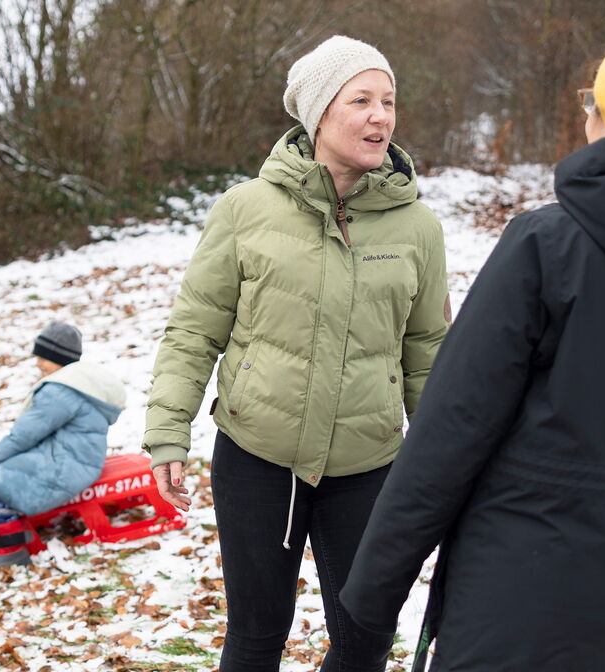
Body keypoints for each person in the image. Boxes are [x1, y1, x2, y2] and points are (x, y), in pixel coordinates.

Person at [340, 22, 605, 671]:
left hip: (514, 602)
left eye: (591, 101)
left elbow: (445, 442)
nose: (586, 114)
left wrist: (365, 615)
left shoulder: (548, 249)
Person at [143, 35, 450, 671]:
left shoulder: (417, 226)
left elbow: (427, 350)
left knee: (365, 638)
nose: (380, 116)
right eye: (361, 99)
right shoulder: (246, 209)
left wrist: (447, 458)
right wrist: (168, 432)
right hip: (258, 455)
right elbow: (195, 330)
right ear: (317, 112)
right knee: (256, 635)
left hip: (368, 463)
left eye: (388, 101)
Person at [0, 322, 125, 573]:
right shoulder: (79, 386)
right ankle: (7, 525)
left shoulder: (61, 391)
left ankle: (12, 552)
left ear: (59, 358)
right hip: (72, 458)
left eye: (43, 357)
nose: (38, 363)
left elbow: (24, 436)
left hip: (66, 465)